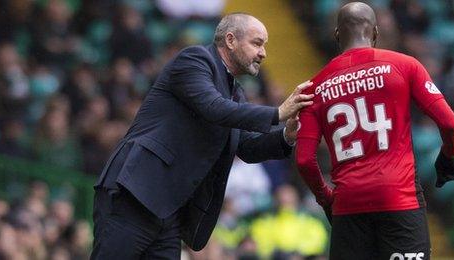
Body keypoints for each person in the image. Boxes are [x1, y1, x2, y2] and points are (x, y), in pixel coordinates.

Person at [91, 13, 313, 259]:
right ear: (230, 40)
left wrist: (287, 135)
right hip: (136, 193)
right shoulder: (195, 59)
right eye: (257, 43)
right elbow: (213, 108)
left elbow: (247, 147)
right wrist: (278, 112)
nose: (263, 53)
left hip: (170, 212)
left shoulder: (235, 92)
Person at [295, 2, 454, 259]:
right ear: (375, 32)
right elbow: (450, 123)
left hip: (348, 205)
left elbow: (305, 160)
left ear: (337, 35)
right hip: (399, 197)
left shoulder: (314, 88)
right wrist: (448, 156)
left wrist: (326, 198)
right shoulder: (405, 65)